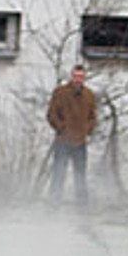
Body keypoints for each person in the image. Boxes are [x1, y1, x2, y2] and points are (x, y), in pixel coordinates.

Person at [45, 65, 97, 205]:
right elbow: (51, 114)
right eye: (75, 76)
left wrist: (87, 130)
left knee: (80, 176)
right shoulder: (60, 93)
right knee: (59, 174)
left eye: (81, 77)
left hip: (80, 141)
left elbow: (93, 117)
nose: (78, 80)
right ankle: (53, 205)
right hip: (63, 140)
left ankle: (82, 207)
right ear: (71, 77)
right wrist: (61, 128)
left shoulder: (89, 95)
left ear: (84, 78)